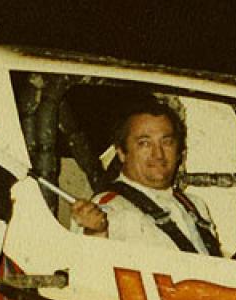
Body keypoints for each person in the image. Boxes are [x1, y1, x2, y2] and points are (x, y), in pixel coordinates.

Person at [71, 99, 221, 256]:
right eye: (144, 144)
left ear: (178, 152)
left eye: (167, 142)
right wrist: (95, 233)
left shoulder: (195, 206)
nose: (158, 154)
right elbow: (88, 263)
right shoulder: (109, 207)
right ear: (121, 153)